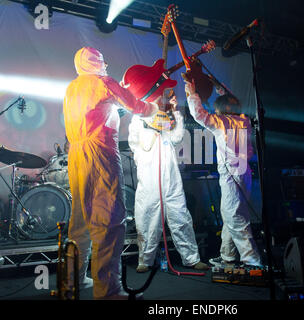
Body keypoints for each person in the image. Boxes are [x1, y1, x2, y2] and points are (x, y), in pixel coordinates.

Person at [63, 47, 158, 299]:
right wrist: (154, 107)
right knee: (109, 221)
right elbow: (136, 106)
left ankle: (72, 281)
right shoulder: (105, 82)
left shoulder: (72, 87)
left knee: (79, 222)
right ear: (99, 63)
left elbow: (102, 109)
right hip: (100, 155)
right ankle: (107, 291)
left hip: (76, 155)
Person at [184, 79, 262, 268]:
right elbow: (231, 100)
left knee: (234, 216)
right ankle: (227, 256)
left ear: (221, 109)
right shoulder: (243, 120)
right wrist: (217, 84)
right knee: (231, 214)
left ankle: (252, 261)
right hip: (243, 173)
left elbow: (198, 114)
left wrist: (191, 91)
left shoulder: (222, 122)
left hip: (231, 174)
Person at [128, 94, 209, 273]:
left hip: (171, 178)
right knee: (147, 218)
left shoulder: (168, 117)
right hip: (149, 178)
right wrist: (142, 158)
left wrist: (176, 112)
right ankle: (145, 260)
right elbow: (133, 143)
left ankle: (191, 259)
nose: (161, 100)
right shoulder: (138, 117)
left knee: (180, 217)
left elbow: (177, 137)